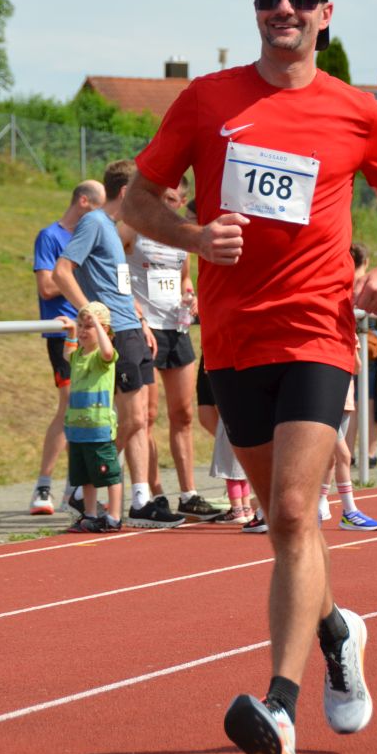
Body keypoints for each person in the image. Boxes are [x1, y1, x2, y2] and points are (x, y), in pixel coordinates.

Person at [122, 0, 377, 754]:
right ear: (255, 7)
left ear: (326, 12)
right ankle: (337, 629)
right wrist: (193, 235)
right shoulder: (207, 99)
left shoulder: (358, 111)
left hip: (319, 329)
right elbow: (137, 198)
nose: (282, 6)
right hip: (233, 338)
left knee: (292, 512)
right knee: (286, 523)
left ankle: (279, 707)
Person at [52, 160, 184, 528]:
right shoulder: (94, 222)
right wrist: (91, 316)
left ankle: (139, 498)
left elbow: (119, 284)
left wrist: (140, 321)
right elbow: (62, 272)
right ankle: (83, 484)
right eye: (144, 194)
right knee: (132, 419)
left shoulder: (111, 229)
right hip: (116, 334)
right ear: (126, 192)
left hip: (132, 330)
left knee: (142, 419)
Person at [121, 177, 221, 522]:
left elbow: (184, 278)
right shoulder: (135, 228)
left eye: (176, 201)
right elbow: (113, 264)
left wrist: (190, 297)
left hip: (176, 328)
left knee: (183, 415)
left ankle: (189, 493)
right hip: (144, 329)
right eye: (164, 199)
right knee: (146, 416)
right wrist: (131, 307)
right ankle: (154, 491)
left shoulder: (183, 236)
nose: (170, 206)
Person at [30, 180, 106, 516]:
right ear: (84, 202)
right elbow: (47, 286)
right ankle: (43, 485)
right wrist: (74, 280)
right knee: (69, 406)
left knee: (92, 410)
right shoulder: (50, 236)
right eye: (99, 207)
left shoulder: (94, 237)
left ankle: (75, 488)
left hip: (95, 334)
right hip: (64, 333)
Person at [59, 303, 123, 532]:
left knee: (109, 473)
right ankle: (90, 514)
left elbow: (108, 353)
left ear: (104, 329)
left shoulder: (101, 357)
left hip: (98, 428)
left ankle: (114, 517)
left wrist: (97, 322)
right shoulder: (78, 355)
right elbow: (67, 354)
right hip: (78, 429)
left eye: (89, 327)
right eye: (81, 326)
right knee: (84, 476)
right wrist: (71, 332)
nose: (84, 331)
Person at [319, 337, 377, 532]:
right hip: (325, 402)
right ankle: (349, 511)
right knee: (343, 455)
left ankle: (320, 503)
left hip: (344, 400)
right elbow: (355, 366)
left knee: (331, 458)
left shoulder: (348, 334)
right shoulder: (326, 335)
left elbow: (357, 367)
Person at [346, 242, 377, 469]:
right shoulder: (371, 283)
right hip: (370, 347)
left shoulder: (343, 282)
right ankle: (369, 453)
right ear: (366, 262)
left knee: (350, 401)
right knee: (370, 401)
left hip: (347, 344)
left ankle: (348, 452)